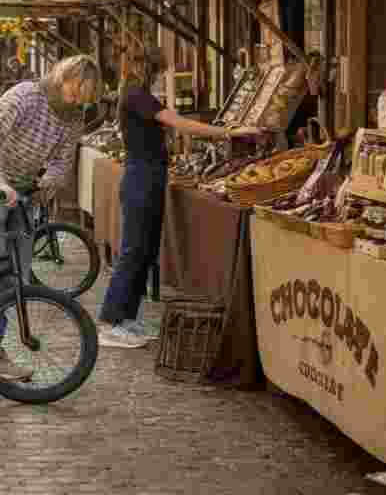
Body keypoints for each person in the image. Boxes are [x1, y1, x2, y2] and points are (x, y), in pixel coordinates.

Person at [0, 56, 102, 381]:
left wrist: (46, 184)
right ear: (61, 79)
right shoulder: (25, 96)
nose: (75, 102)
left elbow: (62, 162)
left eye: (83, 98)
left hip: (22, 188)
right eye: (73, 93)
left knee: (15, 275)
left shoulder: (73, 117)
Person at [98, 45, 263, 349]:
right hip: (141, 177)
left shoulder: (136, 94)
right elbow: (179, 123)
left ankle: (126, 319)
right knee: (134, 250)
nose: (162, 78)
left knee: (145, 251)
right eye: (159, 72)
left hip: (148, 175)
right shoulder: (137, 94)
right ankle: (110, 322)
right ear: (148, 69)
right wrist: (228, 132)